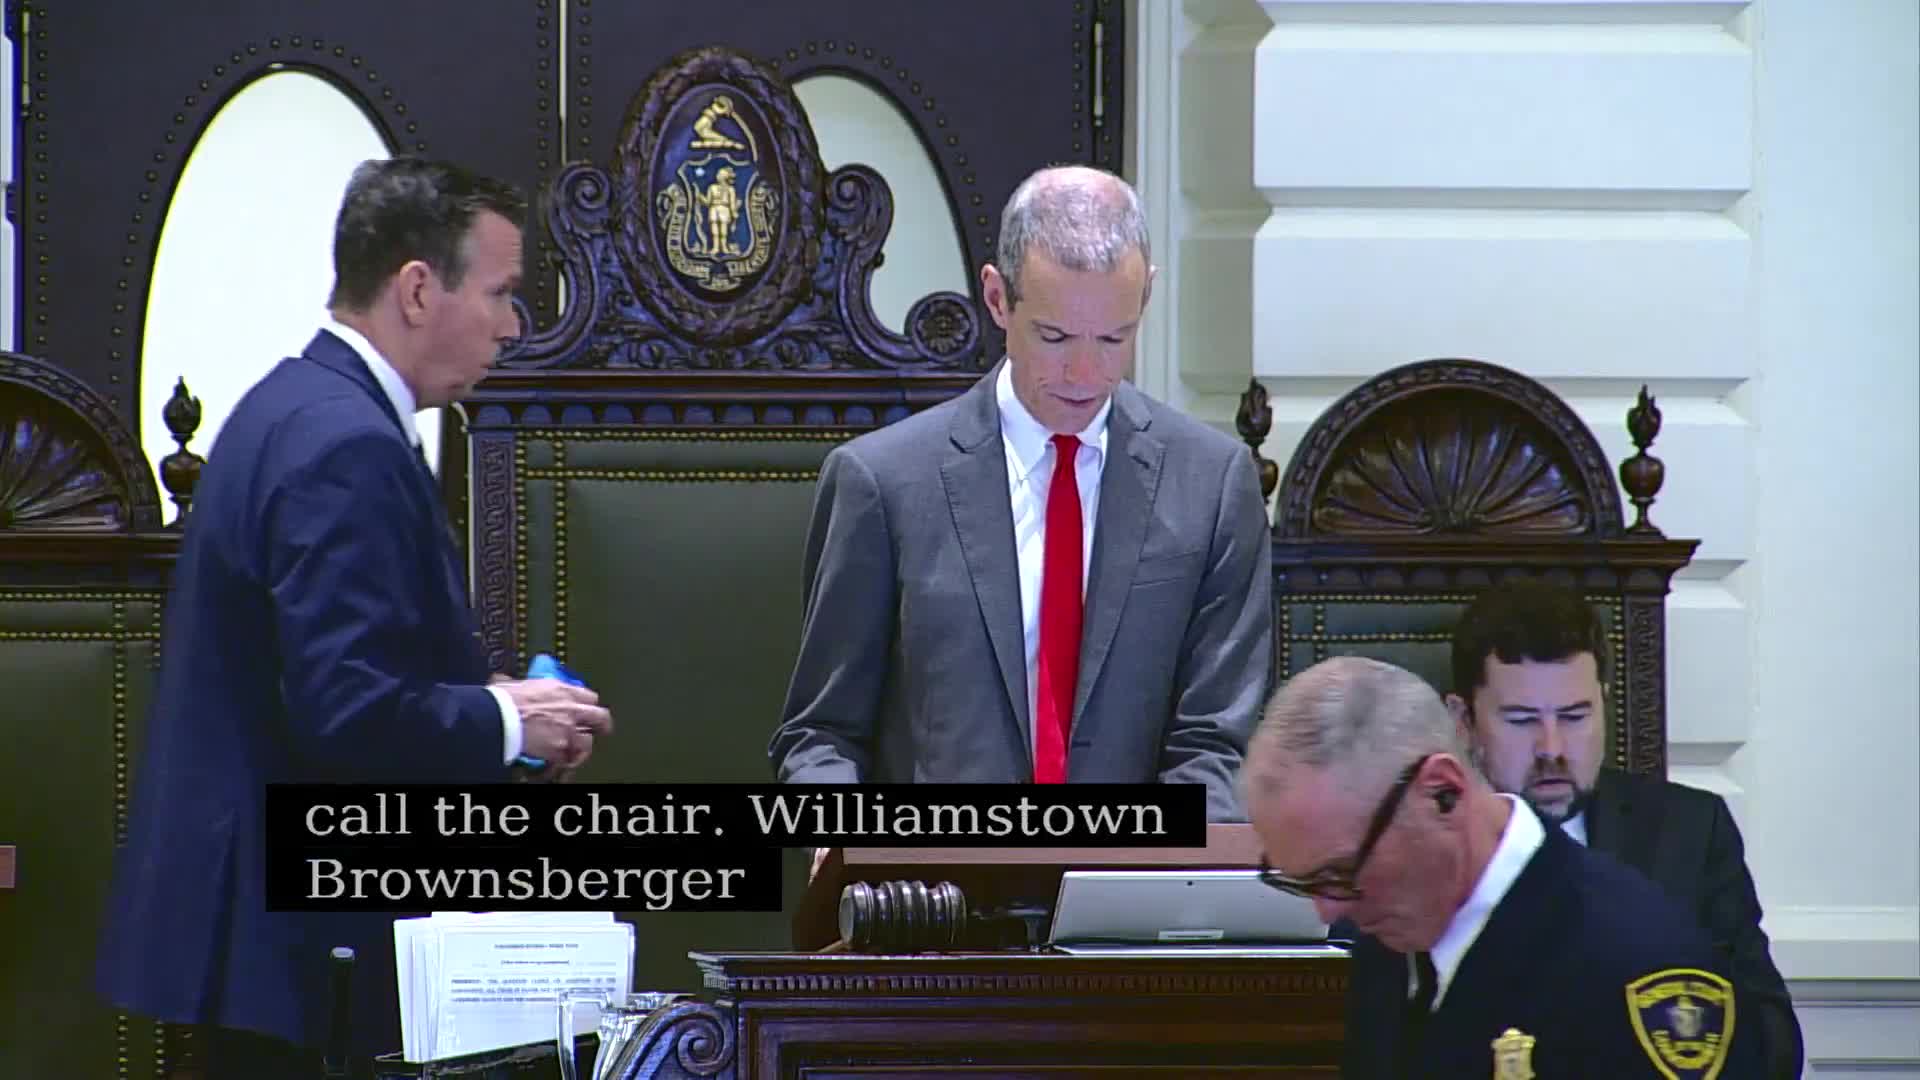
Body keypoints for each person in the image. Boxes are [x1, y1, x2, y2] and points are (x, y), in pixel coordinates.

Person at [95, 157, 614, 1079]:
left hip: (266, 940)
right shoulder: (346, 444)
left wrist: (486, 699)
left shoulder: (291, 405)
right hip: (301, 957)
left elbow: (315, 672)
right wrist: (507, 721)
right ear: (417, 289)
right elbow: (346, 709)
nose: (512, 324)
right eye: (500, 292)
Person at [768, 164, 1272, 824]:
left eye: (1114, 338)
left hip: (1134, 879)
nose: (1085, 373)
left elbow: (1218, 747)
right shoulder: (883, 485)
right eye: (1054, 337)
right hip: (933, 878)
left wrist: (1147, 872)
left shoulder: (1212, 486)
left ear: (1146, 296)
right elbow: (822, 737)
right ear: (998, 298)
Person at [1241, 655, 1760, 1078]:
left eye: (1342, 871)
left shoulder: (1638, 966)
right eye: (1304, 881)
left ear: (1441, 792)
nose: (1328, 910)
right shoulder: (1391, 945)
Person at [1445, 578, 1803, 1076]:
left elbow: (1775, 1043)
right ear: (1463, 721)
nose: (1552, 748)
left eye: (1575, 716)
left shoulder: (1690, 832)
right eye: (1522, 720)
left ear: (1605, 703)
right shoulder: (1418, 847)